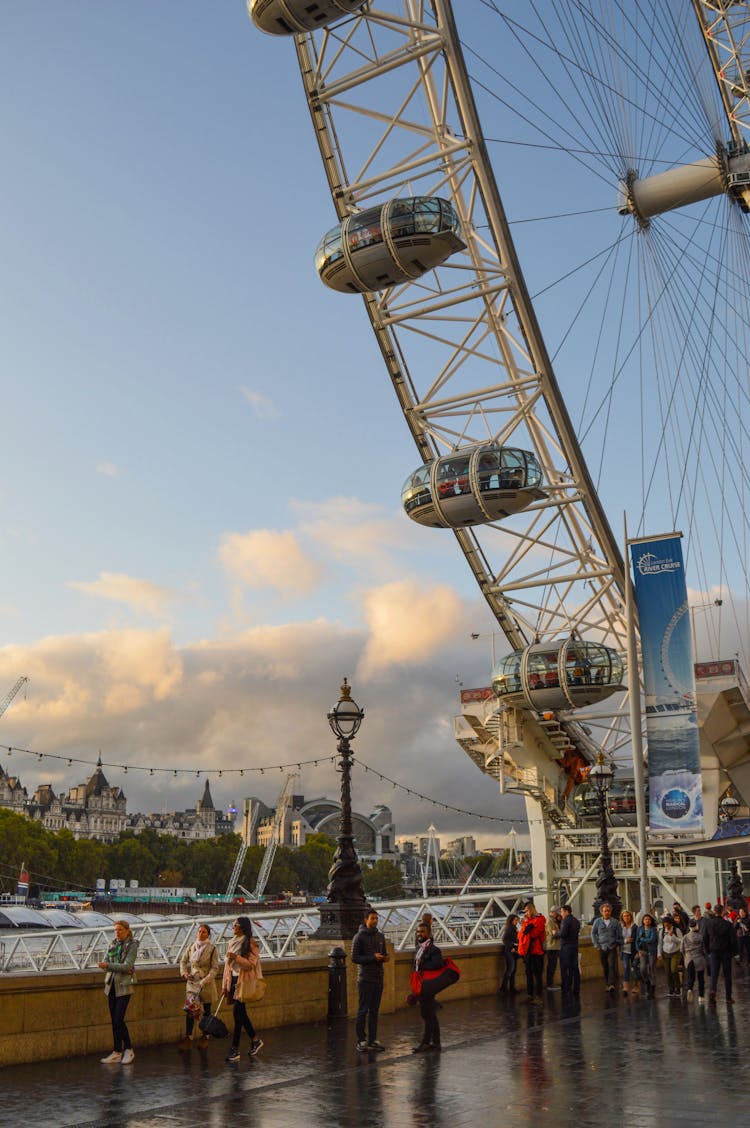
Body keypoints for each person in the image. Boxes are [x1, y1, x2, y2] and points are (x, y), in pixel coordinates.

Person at [411, 916, 458, 1053]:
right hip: (422, 985)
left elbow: (437, 964)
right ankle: (436, 1042)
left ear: (429, 934)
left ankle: (426, 1043)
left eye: (422, 932)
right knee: (429, 1014)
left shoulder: (434, 949)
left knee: (427, 1014)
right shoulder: (419, 948)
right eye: (418, 932)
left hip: (429, 986)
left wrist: (422, 964)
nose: (420, 934)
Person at [222, 916, 264, 1061]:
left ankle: (235, 1049)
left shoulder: (251, 943)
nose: (233, 927)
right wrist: (224, 986)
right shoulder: (232, 942)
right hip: (233, 980)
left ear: (242, 927)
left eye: (235, 925)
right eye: (233, 924)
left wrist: (236, 957)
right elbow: (227, 967)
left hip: (244, 981)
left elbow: (250, 965)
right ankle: (255, 1040)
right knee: (241, 1013)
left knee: (237, 1013)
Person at [98, 919, 139, 1064]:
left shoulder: (132, 944)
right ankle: (116, 1051)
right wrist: (107, 965)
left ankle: (129, 1049)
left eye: (120, 930)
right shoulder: (113, 944)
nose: (117, 932)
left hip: (124, 985)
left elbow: (127, 966)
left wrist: (108, 965)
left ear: (127, 931)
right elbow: (105, 961)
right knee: (114, 1021)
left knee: (118, 1019)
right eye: (115, 930)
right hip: (111, 985)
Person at [351, 906, 389, 1052]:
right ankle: (361, 1040)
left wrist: (385, 958)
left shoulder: (380, 936)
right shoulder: (358, 937)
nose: (375, 921)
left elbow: (384, 953)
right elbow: (354, 958)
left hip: (378, 977)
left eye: (376, 918)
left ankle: (373, 1039)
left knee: (374, 1011)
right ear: (366, 920)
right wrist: (373, 957)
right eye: (372, 918)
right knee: (363, 1010)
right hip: (365, 978)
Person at [179, 922, 219, 1048]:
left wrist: (205, 980)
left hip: (206, 983)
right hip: (192, 982)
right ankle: (188, 1036)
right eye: (199, 931)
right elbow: (183, 961)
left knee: (207, 1011)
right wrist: (184, 973)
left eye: (204, 932)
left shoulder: (212, 949)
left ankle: (205, 1036)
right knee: (190, 1009)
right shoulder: (191, 946)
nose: (200, 934)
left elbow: (215, 968)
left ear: (208, 935)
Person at [705, 903, 737, 1004]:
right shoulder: (728, 925)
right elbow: (733, 940)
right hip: (726, 952)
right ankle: (728, 997)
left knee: (714, 974)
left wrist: (708, 950)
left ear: (714, 911)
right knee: (727, 975)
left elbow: (705, 938)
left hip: (714, 951)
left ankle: (713, 990)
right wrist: (733, 952)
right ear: (722, 911)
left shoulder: (709, 923)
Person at [590, 902, 623, 993]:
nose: (607, 912)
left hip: (612, 946)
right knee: (605, 966)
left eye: (608, 911)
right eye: (605, 911)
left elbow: (619, 934)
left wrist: (618, 943)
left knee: (611, 965)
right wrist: (596, 944)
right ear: (602, 912)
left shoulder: (615, 922)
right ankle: (607, 983)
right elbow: (593, 933)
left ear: (610, 912)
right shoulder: (597, 922)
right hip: (602, 947)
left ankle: (611, 984)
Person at [517, 901, 546, 1000]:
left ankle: (538, 995)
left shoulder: (540, 919)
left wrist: (525, 925)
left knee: (537, 975)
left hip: (536, 952)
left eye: (527, 910)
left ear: (532, 909)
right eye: (525, 911)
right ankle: (530, 994)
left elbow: (533, 934)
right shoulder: (528, 921)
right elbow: (521, 935)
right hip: (528, 952)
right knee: (528, 974)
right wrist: (526, 925)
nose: (526, 913)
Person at [681, 919, 707, 1003]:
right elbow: (704, 949)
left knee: (690, 976)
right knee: (701, 978)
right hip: (699, 958)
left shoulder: (685, 937)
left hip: (689, 959)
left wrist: (686, 956)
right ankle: (701, 996)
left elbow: (681, 949)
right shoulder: (700, 936)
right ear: (696, 926)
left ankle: (689, 989)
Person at [558, 904, 581, 997]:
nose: (561, 913)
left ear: (566, 911)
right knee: (574, 968)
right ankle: (576, 988)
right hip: (574, 946)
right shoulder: (576, 921)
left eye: (562, 911)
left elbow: (563, 934)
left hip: (565, 948)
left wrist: (556, 933)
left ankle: (566, 987)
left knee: (564, 968)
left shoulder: (565, 921)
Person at [658, 915, 683, 996]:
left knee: (673, 970)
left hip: (675, 952)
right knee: (668, 972)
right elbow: (660, 943)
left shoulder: (676, 930)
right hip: (666, 953)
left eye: (668, 924)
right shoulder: (662, 931)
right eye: (665, 925)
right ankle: (671, 989)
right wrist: (659, 953)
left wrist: (673, 936)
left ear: (671, 924)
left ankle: (678, 988)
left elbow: (681, 941)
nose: (667, 926)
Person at [636, 913, 658, 998]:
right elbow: (637, 940)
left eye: (648, 919)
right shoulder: (640, 929)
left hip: (651, 951)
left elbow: (652, 940)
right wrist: (638, 950)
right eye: (645, 919)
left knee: (652, 969)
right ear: (643, 921)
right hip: (642, 951)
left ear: (651, 921)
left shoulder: (653, 929)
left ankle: (652, 988)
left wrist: (642, 939)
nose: (647, 921)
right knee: (642, 969)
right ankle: (647, 981)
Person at [500, 913, 519, 993]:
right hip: (509, 951)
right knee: (510, 970)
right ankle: (503, 988)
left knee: (513, 970)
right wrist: (512, 947)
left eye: (517, 920)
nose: (516, 922)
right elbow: (504, 939)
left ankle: (512, 988)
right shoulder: (509, 929)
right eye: (515, 920)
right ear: (511, 921)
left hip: (513, 951)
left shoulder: (513, 928)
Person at [620, 909, 637, 996]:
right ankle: (626, 987)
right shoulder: (621, 927)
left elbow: (636, 939)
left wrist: (638, 951)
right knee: (626, 967)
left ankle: (636, 986)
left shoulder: (635, 927)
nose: (626, 917)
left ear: (631, 917)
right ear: (622, 917)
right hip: (625, 950)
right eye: (624, 916)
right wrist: (625, 940)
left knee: (635, 968)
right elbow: (618, 939)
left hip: (633, 950)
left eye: (628, 916)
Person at [545, 907, 562, 989]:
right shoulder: (550, 921)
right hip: (551, 946)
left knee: (553, 965)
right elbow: (553, 934)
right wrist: (562, 933)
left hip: (554, 946)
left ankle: (551, 983)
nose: (558, 914)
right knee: (551, 966)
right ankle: (550, 984)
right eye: (557, 913)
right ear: (553, 912)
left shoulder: (554, 921)